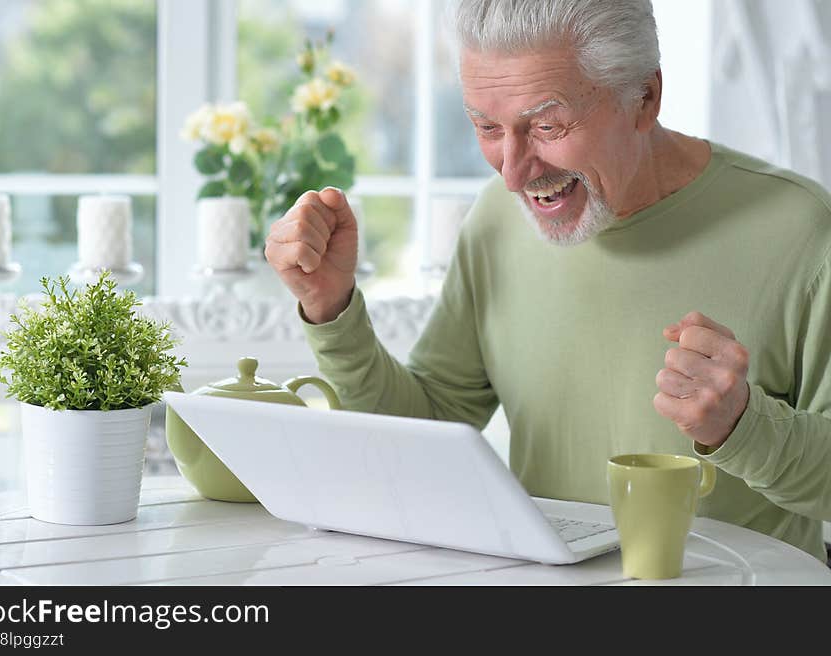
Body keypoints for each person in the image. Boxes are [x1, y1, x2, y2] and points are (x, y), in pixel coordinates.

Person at [264, 0, 831, 563]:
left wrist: (742, 427)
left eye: (547, 126)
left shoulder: (800, 229)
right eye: (487, 127)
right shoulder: (495, 220)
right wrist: (330, 307)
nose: (512, 171)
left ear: (645, 98)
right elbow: (425, 437)